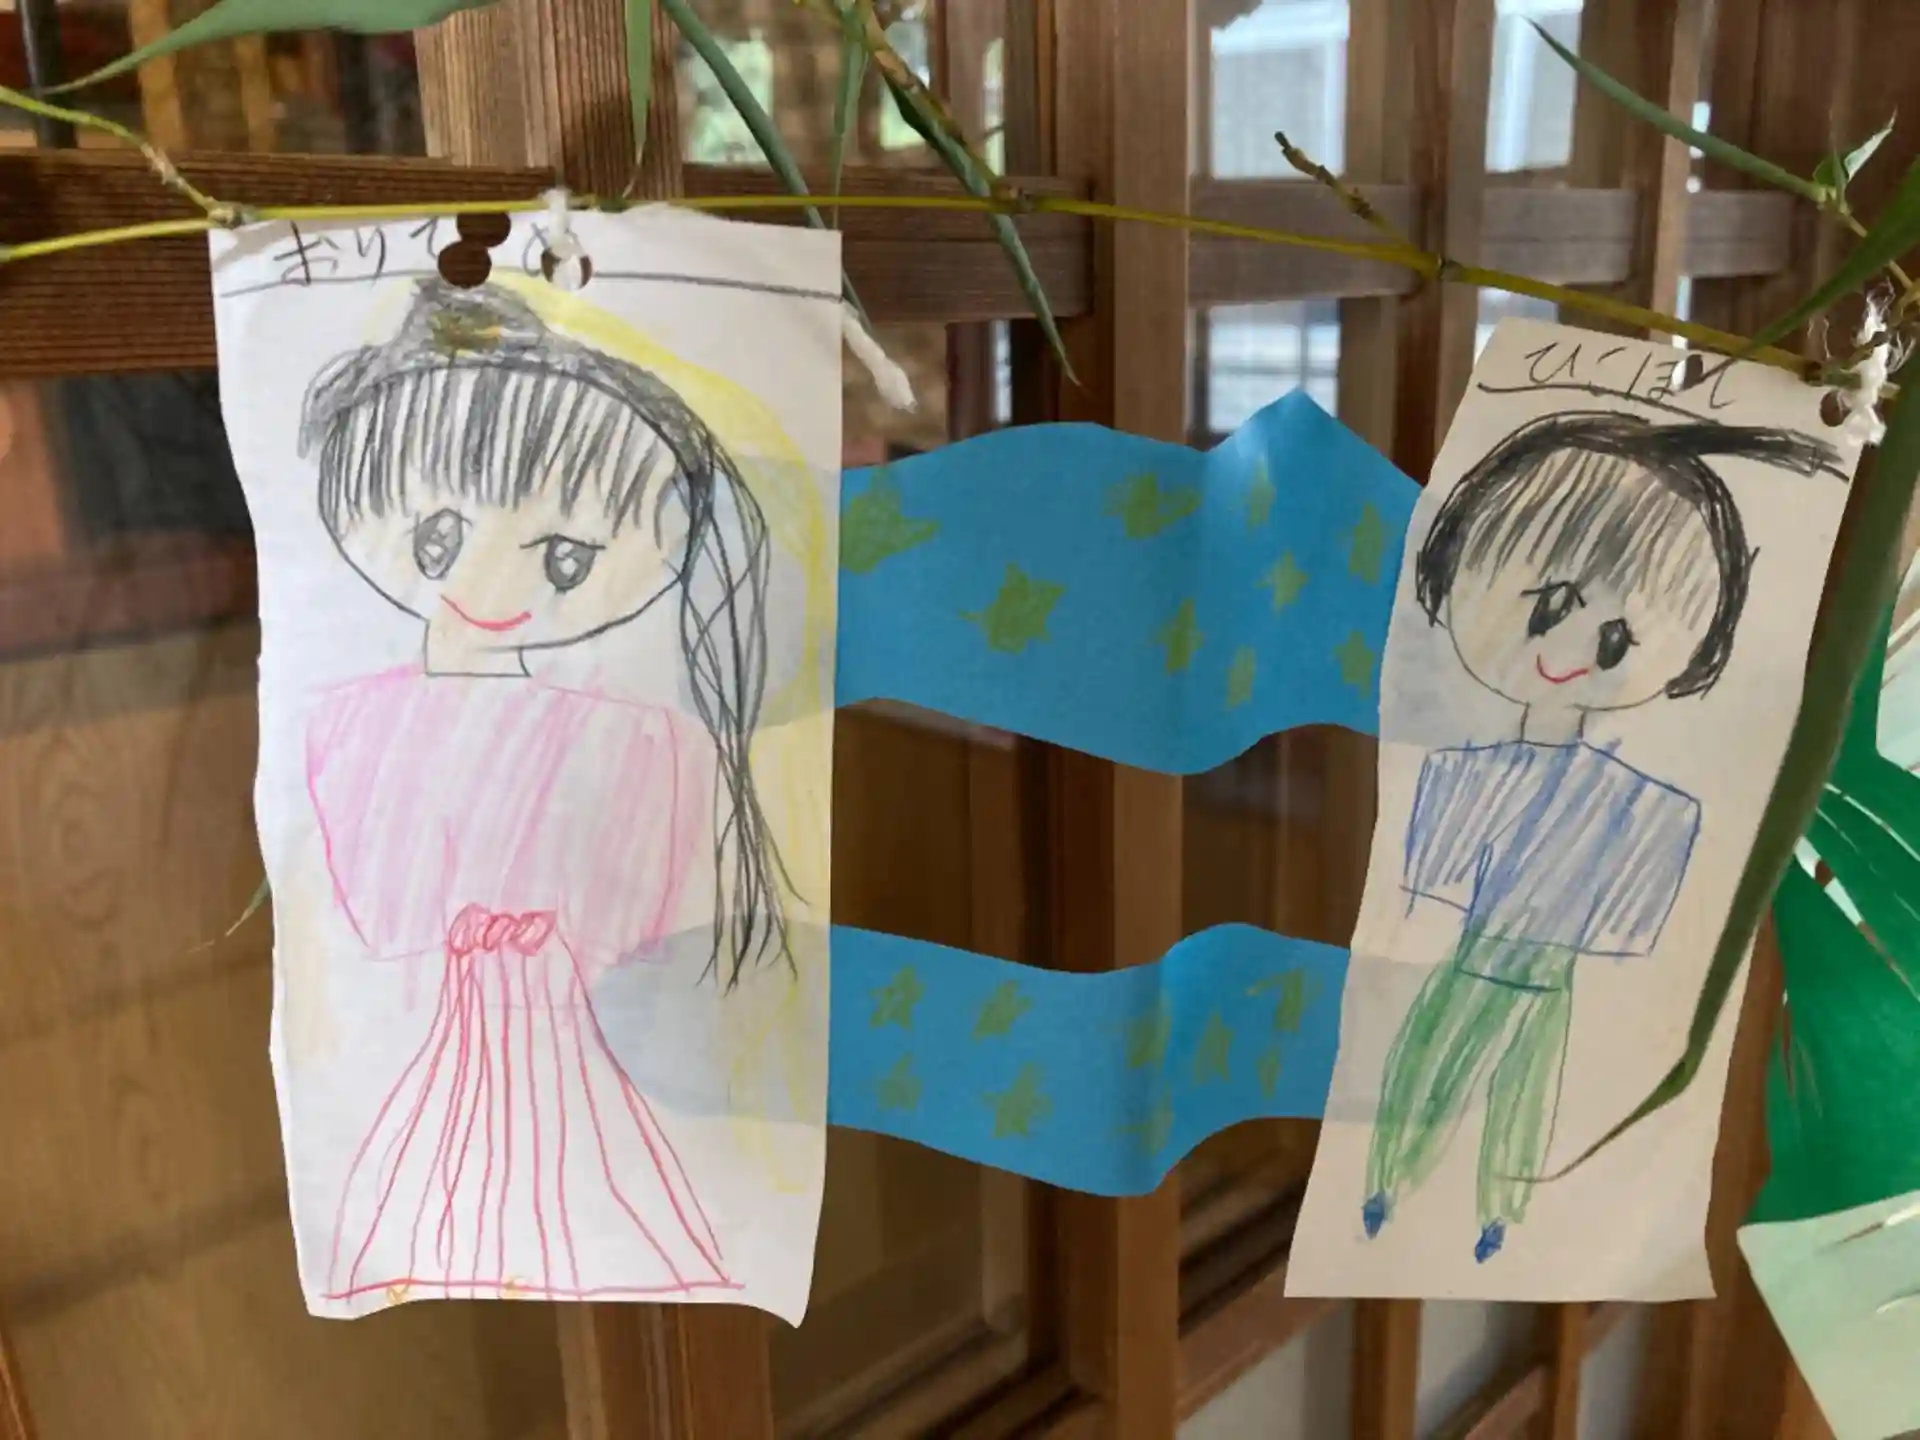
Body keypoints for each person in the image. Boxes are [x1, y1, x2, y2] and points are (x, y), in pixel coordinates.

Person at [297, 277, 812, 1306]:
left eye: (568, 559)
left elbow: (636, 925)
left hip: (584, 1051)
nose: (494, 584)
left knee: (593, 1200)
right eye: (439, 537)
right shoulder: (352, 730)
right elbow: (381, 917)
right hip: (465, 1050)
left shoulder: (643, 745)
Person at [1360, 411, 1836, 1262]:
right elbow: (1430, 886)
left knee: (1520, 1097)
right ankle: (1389, 1192)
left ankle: (1490, 1218)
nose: (1574, 649)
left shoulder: (1649, 815)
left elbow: (1630, 927)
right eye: (1550, 607)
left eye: (1619, 638)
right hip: (1466, 970)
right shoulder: (1460, 776)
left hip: (1545, 987)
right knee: (1428, 1071)